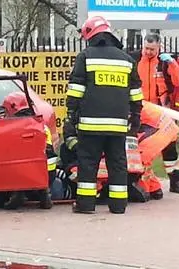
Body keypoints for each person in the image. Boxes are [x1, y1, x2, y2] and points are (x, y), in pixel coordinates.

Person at [63, 16, 143, 214]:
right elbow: (136, 94)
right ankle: (118, 205)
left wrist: (71, 115)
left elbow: (76, 90)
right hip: (117, 125)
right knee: (117, 164)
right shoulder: (127, 60)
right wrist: (135, 117)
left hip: (91, 124)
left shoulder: (86, 56)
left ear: (91, 34)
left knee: (88, 163)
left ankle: (85, 204)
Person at [129, 33, 179, 197]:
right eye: (146, 48)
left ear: (159, 47)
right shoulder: (133, 59)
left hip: (161, 111)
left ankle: (175, 182)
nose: (148, 52)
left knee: (170, 148)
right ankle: (144, 183)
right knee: (141, 148)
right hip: (140, 111)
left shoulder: (164, 62)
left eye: (152, 49)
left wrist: (172, 63)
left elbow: (177, 82)